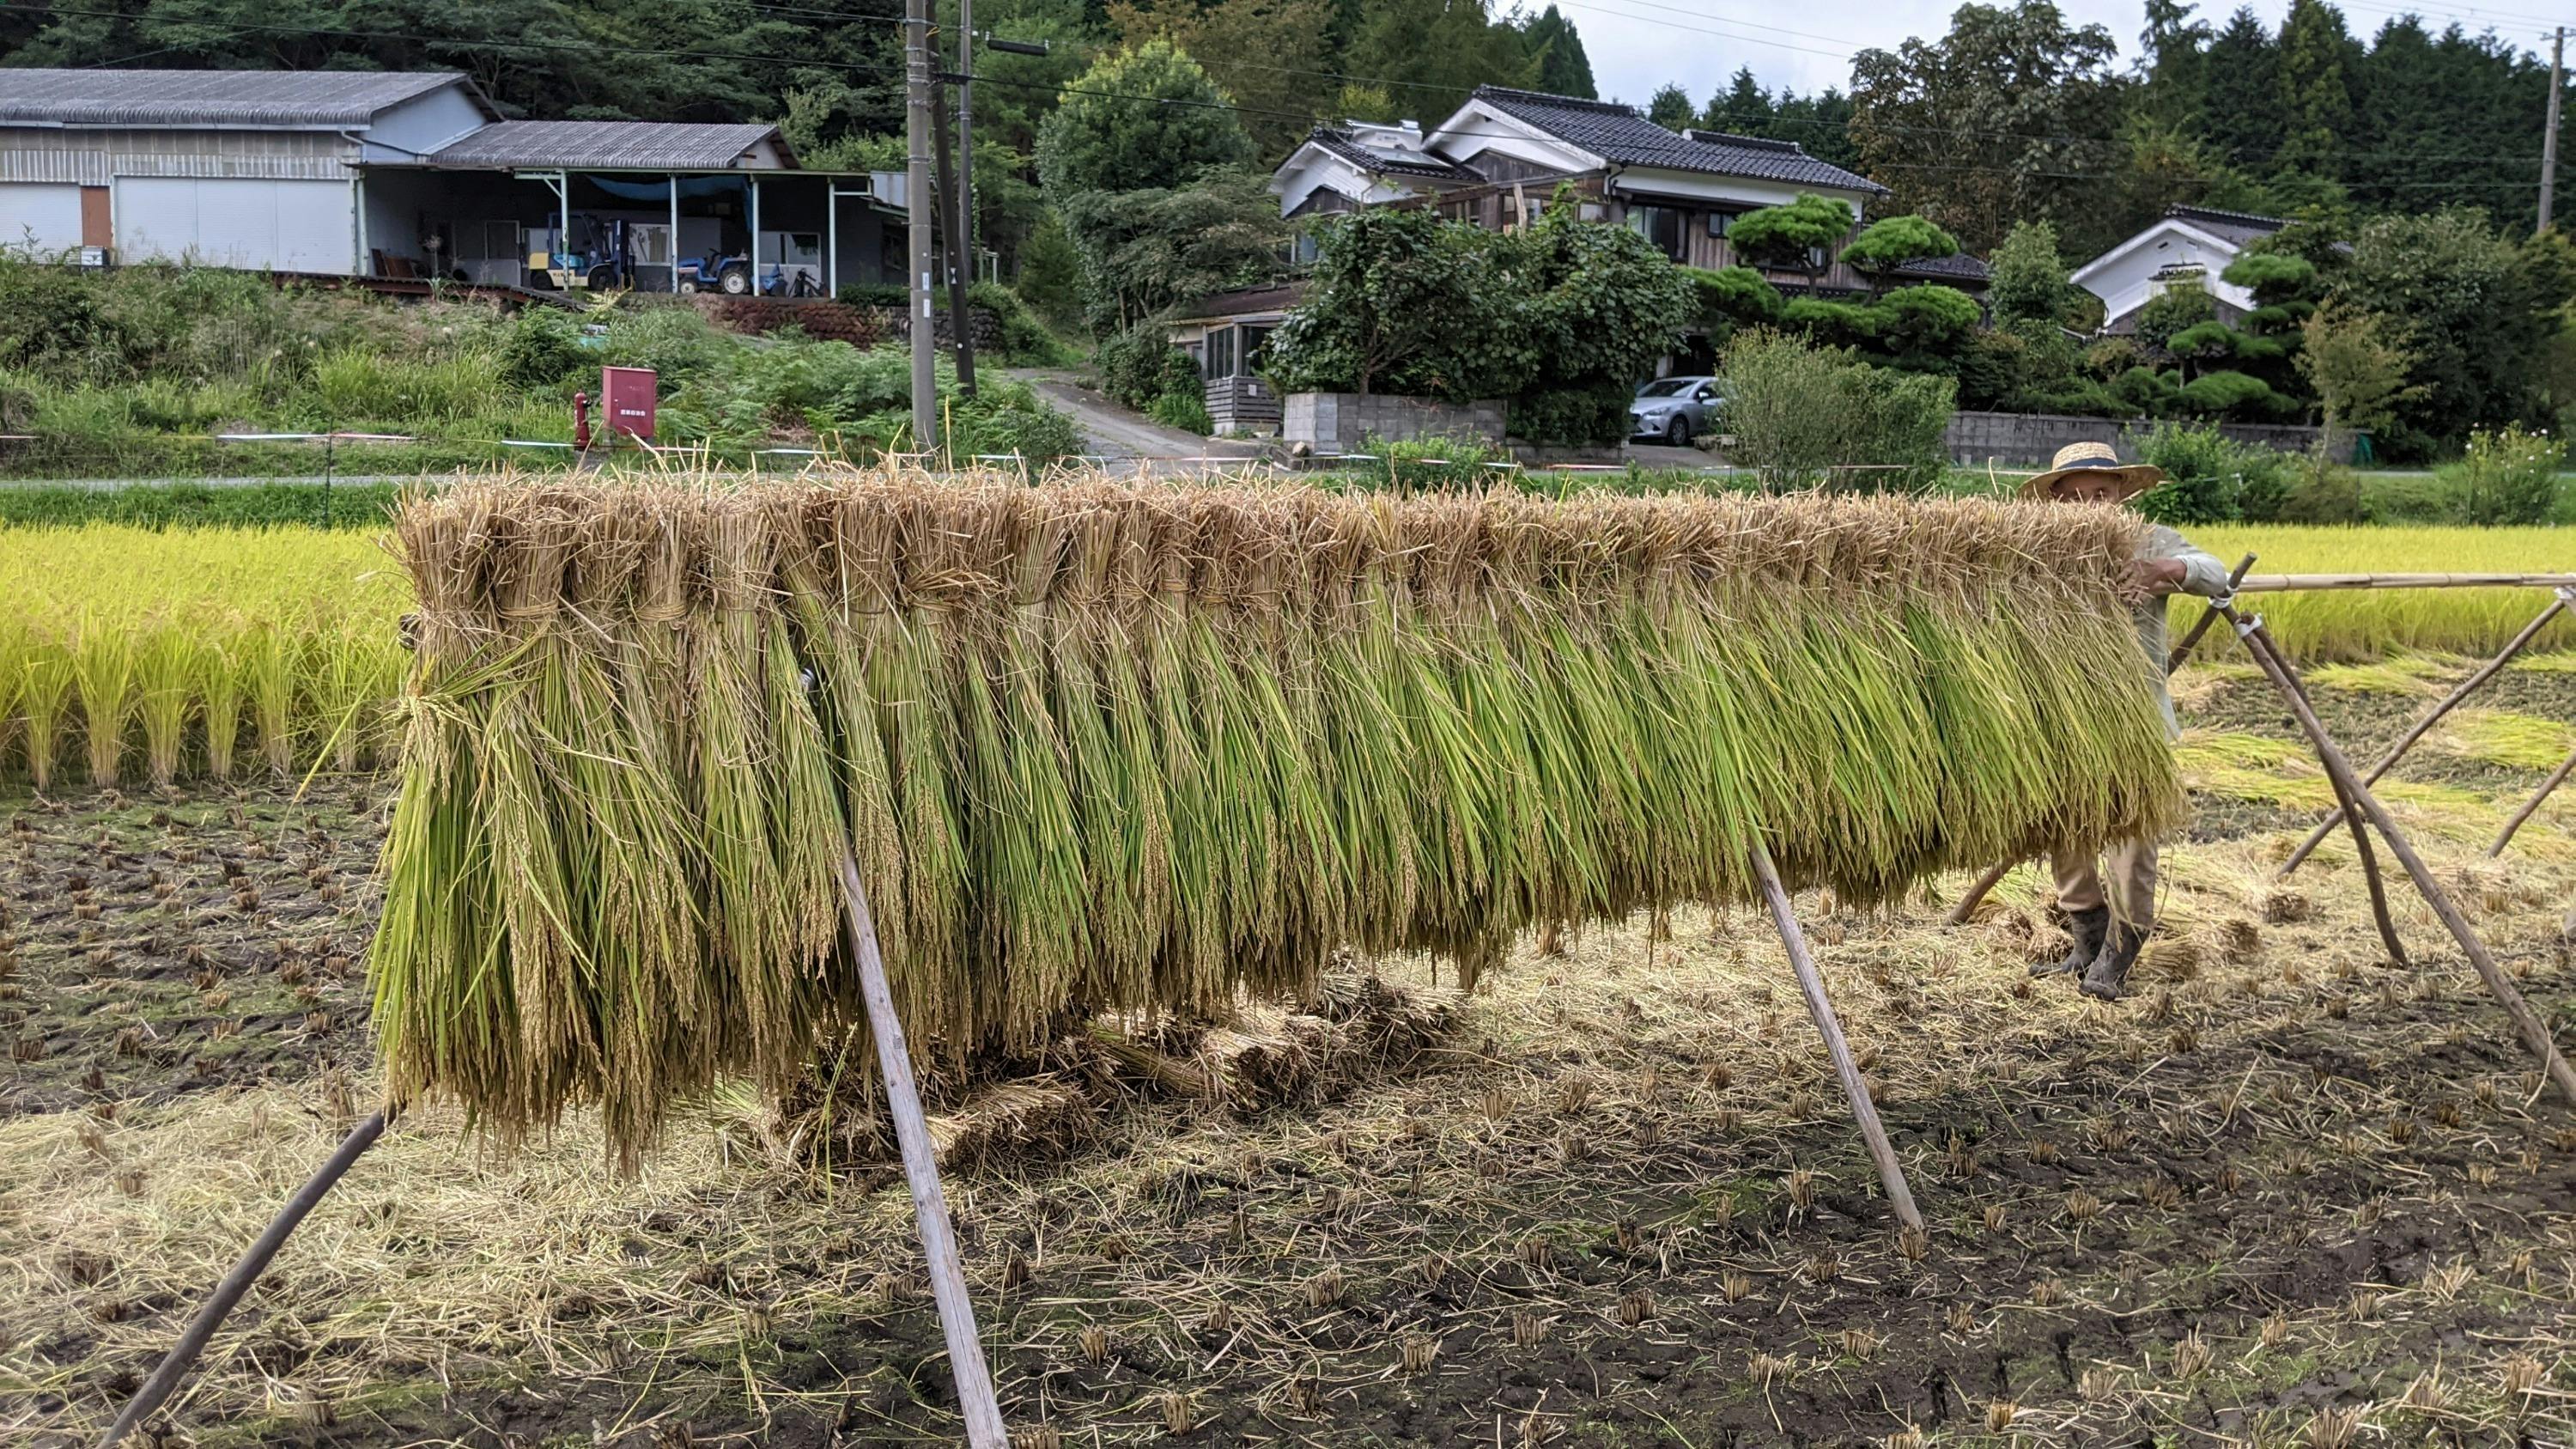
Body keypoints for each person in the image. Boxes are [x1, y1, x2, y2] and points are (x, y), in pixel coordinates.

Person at [2022, 441, 2232, 1001]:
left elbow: (2218, 575)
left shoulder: (2149, 542)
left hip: (2135, 722)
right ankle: (2086, 943)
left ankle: (2120, 951)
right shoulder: (2041, 554)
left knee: (2132, 838)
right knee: (2065, 831)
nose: (2089, 507)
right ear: (2056, 504)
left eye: (2101, 494)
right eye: (2074, 498)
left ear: (2121, 496)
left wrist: (2163, 570)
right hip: (2065, 721)